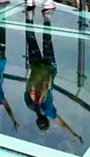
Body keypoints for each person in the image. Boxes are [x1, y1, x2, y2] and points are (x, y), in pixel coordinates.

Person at [24, 14, 83, 142]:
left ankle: (47, 17)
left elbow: (61, 122)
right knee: (31, 39)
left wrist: (73, 133)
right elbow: (26, 89)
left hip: (49, 69)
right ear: (37, 120)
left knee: (47, 40)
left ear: (47, 121)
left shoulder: (49, 111)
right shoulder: (29, 104)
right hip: (35, 66)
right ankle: (29, 16)